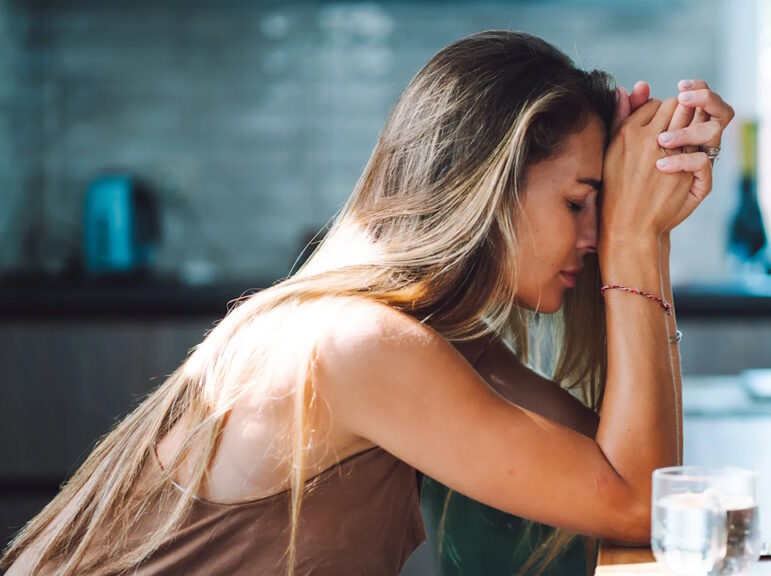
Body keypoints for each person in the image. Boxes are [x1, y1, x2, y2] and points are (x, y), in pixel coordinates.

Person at [1, 30, 733, 575]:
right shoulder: (361, 345)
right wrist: (638, 239)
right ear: (485, 186)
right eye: (581, 201)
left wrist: (648, 225)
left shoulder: (423, 336)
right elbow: (643, 501)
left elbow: (634, 476)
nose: (596, 235)